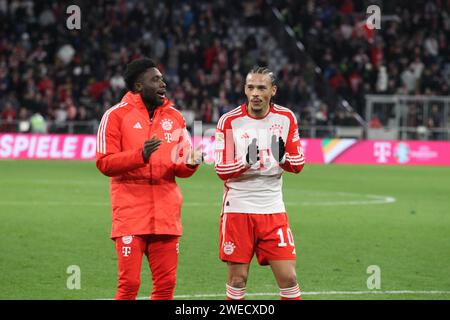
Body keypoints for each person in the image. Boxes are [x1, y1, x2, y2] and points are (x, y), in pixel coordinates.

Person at [96, 58, 202, 300]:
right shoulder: (115, 116)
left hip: (166, 215)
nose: (163, 83)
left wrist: (190, 162)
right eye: (155, 79)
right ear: (138, 85)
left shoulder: (175, 117)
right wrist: (140, 155)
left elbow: (180, 167)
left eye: (162, 78)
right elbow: (104, 162)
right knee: (129, 285)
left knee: (166, 286)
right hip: (131, 214)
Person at [214, 66, 305, 300]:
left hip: (273, 209)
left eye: (261, 88)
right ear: (245, 89)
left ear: (272, 91)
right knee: (237, 279)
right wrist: (245, 161)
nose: (255, 93)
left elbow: (298, 163)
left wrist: (282, 157)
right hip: (238, 209)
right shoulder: (230, 121)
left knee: (289, 279)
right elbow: (221, 169)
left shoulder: (286, 118)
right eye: (250, 87)